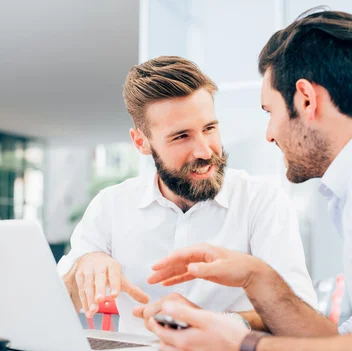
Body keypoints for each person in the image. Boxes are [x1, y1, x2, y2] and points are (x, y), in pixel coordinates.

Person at [144, 9, 352, 351]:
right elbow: (337, 346)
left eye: (270, 112)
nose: (269, 135)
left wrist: (243, 349)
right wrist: (256, 277)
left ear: (305, 99)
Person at [58, 56, 317, 335]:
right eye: (181, 136)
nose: (205, 151)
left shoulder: (261, 202)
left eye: (209, 128)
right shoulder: (111, 206)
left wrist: (216, 322)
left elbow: (300, 315)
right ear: (141, 142)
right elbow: (55, 305)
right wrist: (83, 267)